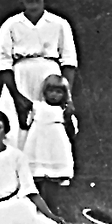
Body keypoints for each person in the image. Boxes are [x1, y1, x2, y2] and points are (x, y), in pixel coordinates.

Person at [0, 0, 79, 150]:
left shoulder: (59, 23)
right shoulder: (10, 24)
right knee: (16, 127)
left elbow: (69, 61)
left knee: (49, 124)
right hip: (20, 79)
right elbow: (3, 63)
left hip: (50, 79)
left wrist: (66, 95)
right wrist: (16, 96)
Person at [21, 74, 78, 205]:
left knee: (54, 177)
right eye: (51, 91)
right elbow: (27, 122)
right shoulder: (37, 107)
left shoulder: (64, 110)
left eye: (58, 92)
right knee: (36, 176)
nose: (54, 95)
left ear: (64, 94)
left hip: (55, 145)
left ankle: (52, 205)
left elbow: (72, 132)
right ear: (44, 92)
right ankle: (36, 205)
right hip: (38, 143)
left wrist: (68, 116)